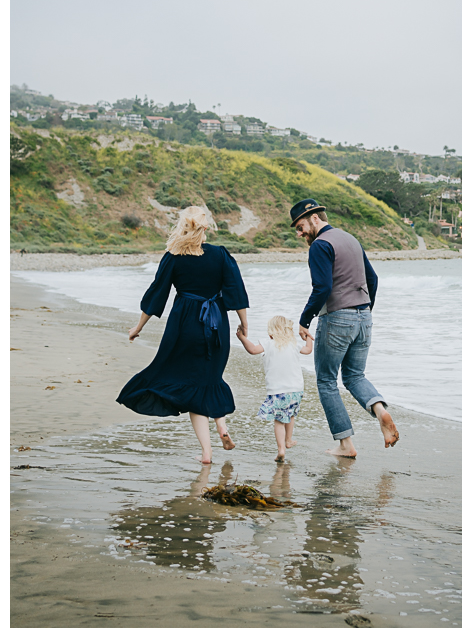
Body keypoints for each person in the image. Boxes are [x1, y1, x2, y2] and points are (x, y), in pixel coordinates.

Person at [117, 205, 249, 465]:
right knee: (211, 378)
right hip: (216, 324)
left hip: (185, 323)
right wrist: (245, 325)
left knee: (191, 385)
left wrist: (138, 327)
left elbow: (158, 293)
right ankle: (221, 425)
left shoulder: (173, 256)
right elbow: (236, 291)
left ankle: (207, 453)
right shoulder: (221, 255)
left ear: (183, 226)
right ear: (206, 227)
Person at [290, 198, 399, 458]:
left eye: (301, 226)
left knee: (327, 380)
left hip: (337, 318)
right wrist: (363, 311)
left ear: (315, 218)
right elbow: (372, 279)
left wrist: (305, 320)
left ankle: (346, 445)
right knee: (354, 376)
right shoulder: (351, 239)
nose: (299, 232)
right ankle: (380, 411)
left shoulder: (319, 245)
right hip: (364, 316)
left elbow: (323, 288)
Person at [237, 314, 313, 462]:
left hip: (278, 390)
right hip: (296, 389)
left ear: (271, 331)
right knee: (290, 415)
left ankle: (281, 449)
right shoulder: (294, 344)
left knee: (279, 420)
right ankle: (289, 440)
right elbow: (308, 350)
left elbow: (252, 350)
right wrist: (308, 335)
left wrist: (242, 338)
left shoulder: (268, 343)